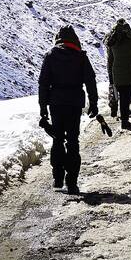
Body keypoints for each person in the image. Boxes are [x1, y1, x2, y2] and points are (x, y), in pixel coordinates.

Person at [38, 25, 98, 196]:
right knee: (72, 141)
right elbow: (90, 80)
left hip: (55, 103)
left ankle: (57, 176)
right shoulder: (80, 57)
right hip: (74, 103)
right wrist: (93, 103)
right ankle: (72, 182)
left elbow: (43, 83)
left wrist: (43, 107)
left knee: (57, 139)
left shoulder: (50, 56)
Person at [106, 18, 131, 131]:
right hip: (130, 71)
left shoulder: (113, 42)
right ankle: (125, 120)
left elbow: (110, 59)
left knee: (120, 95)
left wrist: (110, 73)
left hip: (117, 72)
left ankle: (119, 114)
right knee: (127, 96)